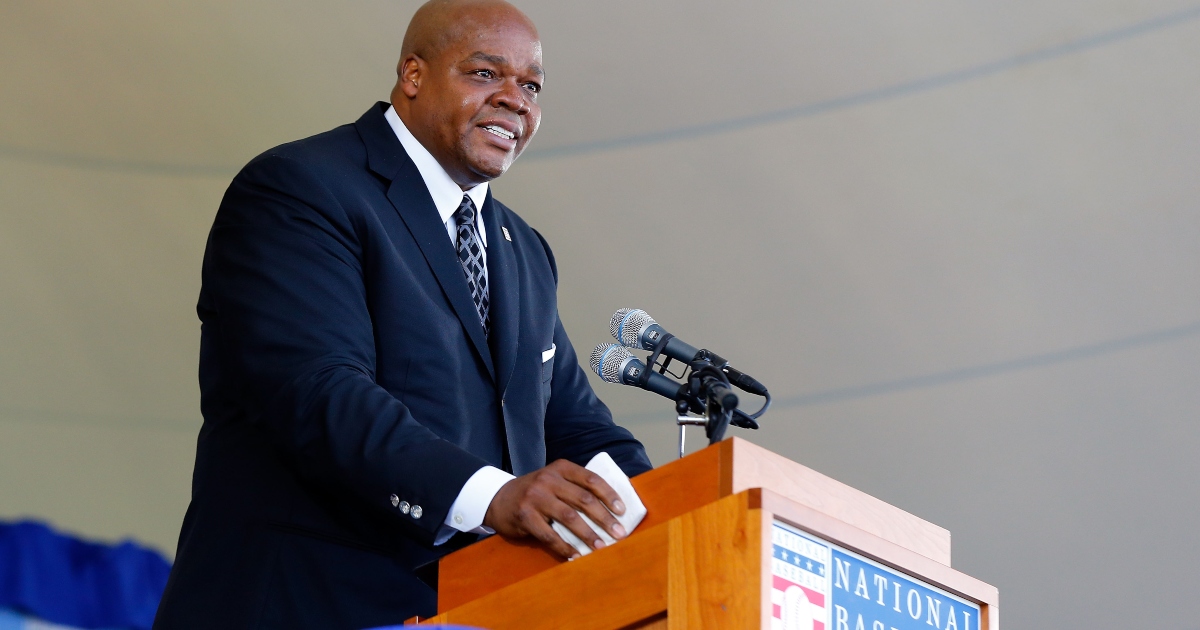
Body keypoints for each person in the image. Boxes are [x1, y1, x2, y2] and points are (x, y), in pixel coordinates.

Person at [152, 1, 652, 627]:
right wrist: (495, 495)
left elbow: (576, 428)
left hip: (469, 612)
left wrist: (663, 512)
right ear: (413, 75)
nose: (515, 99)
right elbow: (319, 392)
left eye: (531, 86)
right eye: (484, 73)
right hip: (301, 604)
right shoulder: (301, 188)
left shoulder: (522, 250)